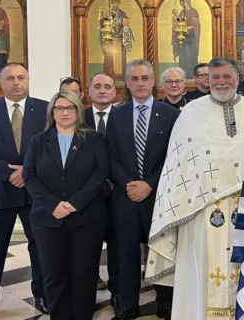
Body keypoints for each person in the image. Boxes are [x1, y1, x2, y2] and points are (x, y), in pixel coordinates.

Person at [145, 57, 244, 320]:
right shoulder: (191, 111)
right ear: (207, 80)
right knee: (200, 268)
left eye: (227, 77)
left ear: (237, 78)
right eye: (216, 77)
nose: (221, 82)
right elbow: (177, 163)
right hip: (201, 209)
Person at [0, 63, 48, 320]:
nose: (17, 83)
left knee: (41, 247)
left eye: (21, 77)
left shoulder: (46, 109)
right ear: (1, 83)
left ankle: (43, 295)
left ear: (28, 80)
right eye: (11, 78)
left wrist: (27, 171)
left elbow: (51, 146)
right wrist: (8, 172)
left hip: (34, 191)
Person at [23, 91, 109, 320]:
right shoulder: (38, 141)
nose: (65, 112)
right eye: (59, 108)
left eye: (70, 107)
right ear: (52, 112)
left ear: (79, 111)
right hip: (48, 220)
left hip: (86, 218)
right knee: (53, 274)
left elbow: (100, 174)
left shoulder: (94, 139)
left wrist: (74, 203)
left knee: (84, 273)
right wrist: (53, 205)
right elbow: (29, 176)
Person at [105, 59, 179, 320]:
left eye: (145, 78)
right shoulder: (117, 114)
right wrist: (130, 184)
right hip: (125, 197)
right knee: (125, 255)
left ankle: (166, 304)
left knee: (161, 250)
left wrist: (149, 184)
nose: (140, 83)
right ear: (127, 83)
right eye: (134, 79)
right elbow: (110, 156)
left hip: (158, 197)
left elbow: (174, 156)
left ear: (153, 82)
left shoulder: (171, 115)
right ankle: (127, 305)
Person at [85, 72, 119, 298]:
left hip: (118, 189)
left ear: (115, 92)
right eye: (97, 86)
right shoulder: (78, 116)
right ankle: (89, 280)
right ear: (89, 91)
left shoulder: (124, 115)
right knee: (88, 241)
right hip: (87, 192)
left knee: (117, 239)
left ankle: (118, 284)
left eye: (108, 86)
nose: (103, 90)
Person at [172, 0, 201, 76]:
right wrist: (176, 16)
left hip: (192, 37)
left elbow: (196, 24)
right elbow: (180, 21)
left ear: (188, 2)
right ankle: (183, 74)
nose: (183, 4)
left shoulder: (193, 11)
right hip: (184, 37)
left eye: (184, 2)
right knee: (184, 56)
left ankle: (192, 74)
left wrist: (188, 27)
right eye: (181, 3)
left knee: (191, 55)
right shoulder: (182, 12)